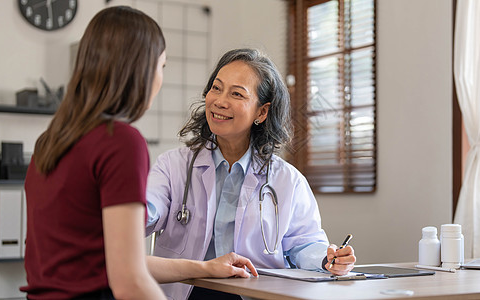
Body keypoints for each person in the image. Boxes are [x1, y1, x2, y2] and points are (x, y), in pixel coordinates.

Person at [21, 7, 256, 300]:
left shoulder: (51, 140)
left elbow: (108, 261)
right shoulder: (120, 141)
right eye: (162, 67)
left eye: (237, 94)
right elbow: (130, 280)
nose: (159, 79)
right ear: (139, 70)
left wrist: (204, 267)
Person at [146, 48, 356, 299]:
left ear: (262, 112)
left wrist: (327, 258)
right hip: (186, 292)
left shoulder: (286, 180)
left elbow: (304, 243)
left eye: (236, 94)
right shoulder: (173, 166)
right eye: (216, 88)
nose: (220, 101)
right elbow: (145, 210)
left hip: (254, 294)